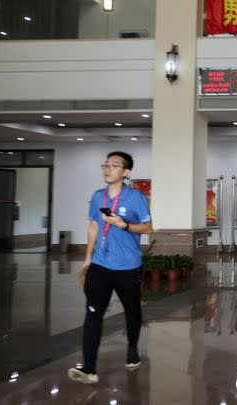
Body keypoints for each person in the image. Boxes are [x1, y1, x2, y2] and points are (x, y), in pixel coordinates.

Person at [67, 151, 153, 385]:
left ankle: (132, 349)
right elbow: (94, 226)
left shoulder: (135, 197)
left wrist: (123, 224)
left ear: (125, 172)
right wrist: (87, 258)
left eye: (114, 165)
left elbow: (147, 228)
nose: (107, 169)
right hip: (100, 266)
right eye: (106, 165)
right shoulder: (97, 197)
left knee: (132, 312)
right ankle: (89, 368)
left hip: (128, 267)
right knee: (93, 315)